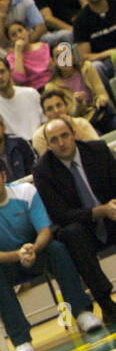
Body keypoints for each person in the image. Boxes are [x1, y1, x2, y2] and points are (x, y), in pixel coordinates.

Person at [0, 155, 104, 351]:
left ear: (3, 176)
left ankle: (82, 312)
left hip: (35, 251)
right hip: (2, 262)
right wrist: (17, 255)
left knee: (57, 249)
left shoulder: (26, 192)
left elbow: (45, 230)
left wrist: (33, 249)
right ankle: (21, 340)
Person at [30, 118, 116, 323]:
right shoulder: (42, 171)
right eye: (54, 139)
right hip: (81, 227)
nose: (61, 142)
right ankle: (105, 303)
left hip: (112, 216)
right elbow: (60, 215)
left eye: (65, 135)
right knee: (71, 233)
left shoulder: (98, 150)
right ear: (48, 145)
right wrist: (99, 211)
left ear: (74, 134)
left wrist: (111, 207)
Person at [47, 42, 115, 132]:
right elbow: (69, 114)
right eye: (59, 56)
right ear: (53, 61)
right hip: (80, 124)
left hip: (100, 114)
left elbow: (101, 92)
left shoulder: (86, 67)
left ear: (73, 56)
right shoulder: (52, 87)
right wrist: (79, 104)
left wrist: (101, 99)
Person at [0, 56, 44, 142]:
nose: (0, 77)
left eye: (2, 71)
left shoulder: (31, 93)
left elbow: (44, 121)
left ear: (9, 71)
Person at [73, 0, 116, 80]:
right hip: (105, 62)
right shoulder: (80, 21)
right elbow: (84, 56)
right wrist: (108, 53)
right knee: (95, 67)